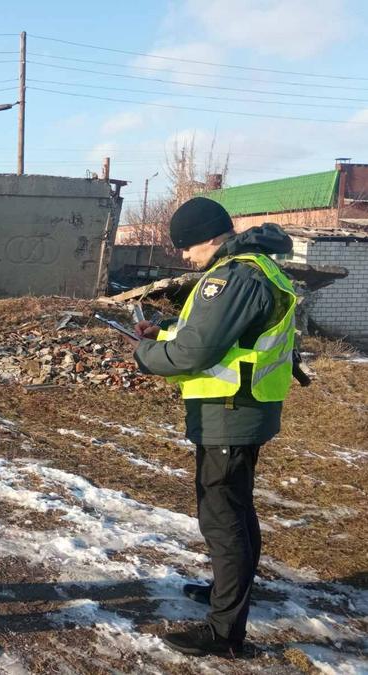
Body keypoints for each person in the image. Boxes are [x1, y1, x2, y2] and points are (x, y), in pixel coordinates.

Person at [131, 197, 297, 658]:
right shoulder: (257, 267)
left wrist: (146, 356)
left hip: (230, 411)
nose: (183, 255)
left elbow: (194, 354)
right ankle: (228, 591)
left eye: (186, 245)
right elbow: (220, 337)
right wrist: (163, 331)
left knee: (222, 518)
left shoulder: (231, 277)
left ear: (208, 235)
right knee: (237, 511)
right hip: (243, 408)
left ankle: (224, 633)